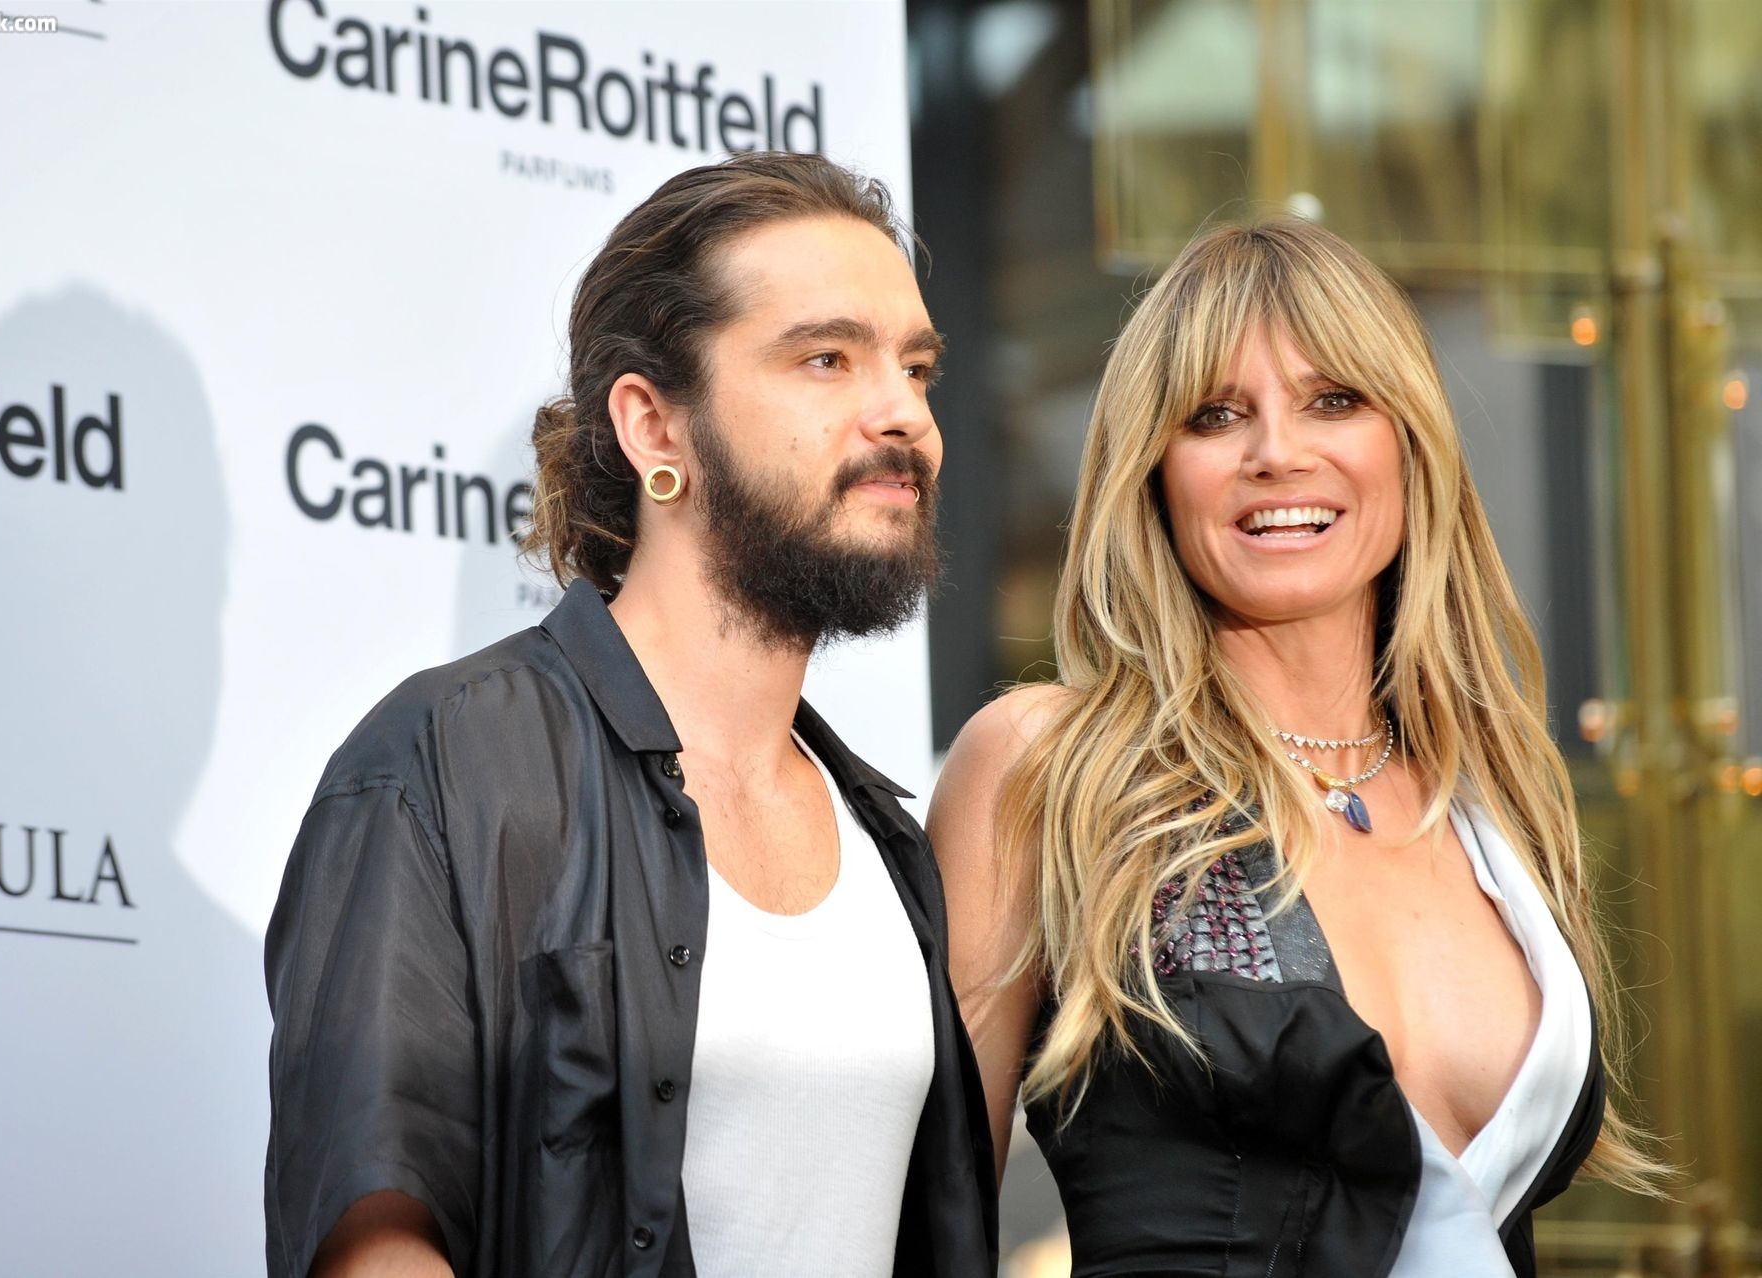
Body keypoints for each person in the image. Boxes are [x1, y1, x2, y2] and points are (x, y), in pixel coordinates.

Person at [262, 151, 996, 1278]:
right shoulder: (444, 767)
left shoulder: (889, 842)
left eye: (917, 368)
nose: (904, 414)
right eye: (827, 358)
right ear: (655, 427)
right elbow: (373, 1238)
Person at [930, 219, 1663, 1277]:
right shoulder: (1050, 766)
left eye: (1334, 401)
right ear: (1154, 472)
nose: (1276, 452)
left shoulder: (1496, 804)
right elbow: (935, 1213)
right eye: (1215, 415)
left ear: (1410, 444)